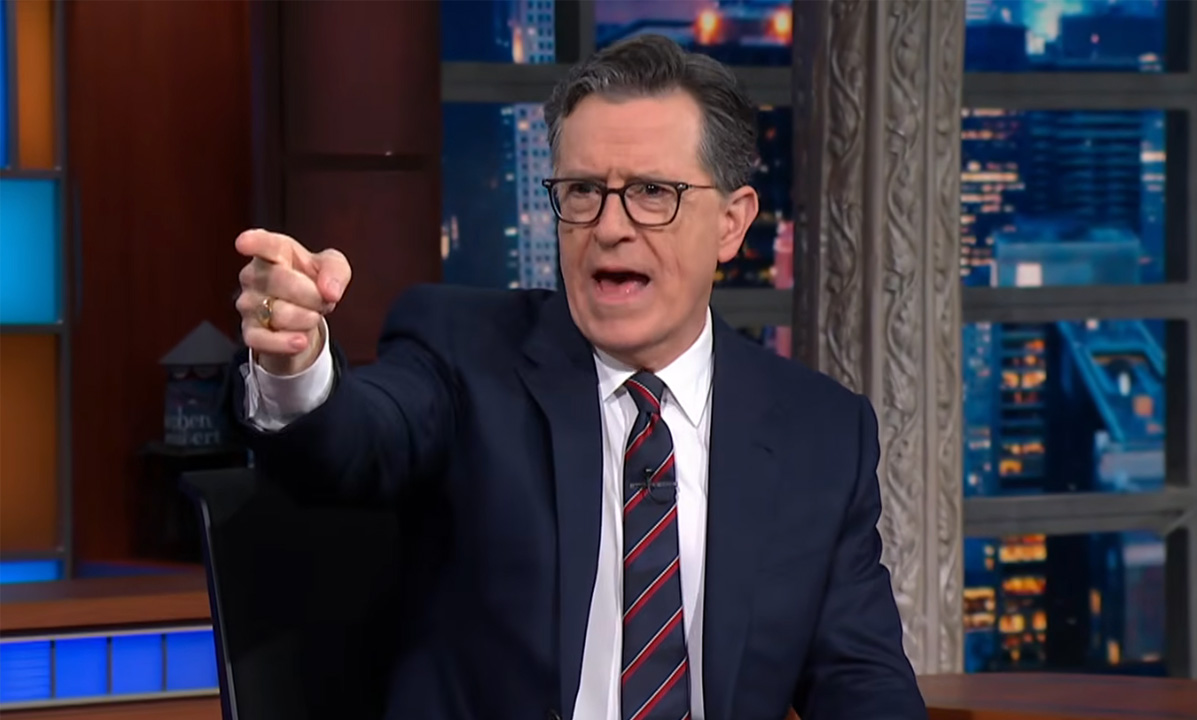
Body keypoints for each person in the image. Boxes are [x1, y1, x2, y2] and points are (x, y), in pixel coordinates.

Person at [229, 34, 925, 720]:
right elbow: (357, 438)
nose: (611, 226)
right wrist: (296, 362)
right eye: (584, 191)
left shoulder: (820, 433)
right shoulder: (464, 355)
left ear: (732, 223)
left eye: (653, 192)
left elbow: (862, 682)